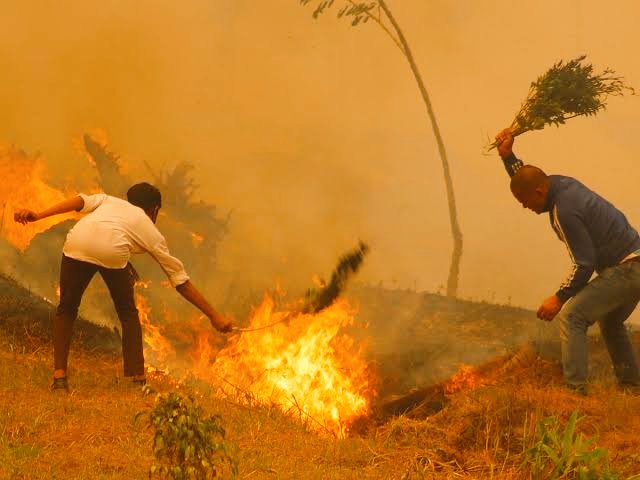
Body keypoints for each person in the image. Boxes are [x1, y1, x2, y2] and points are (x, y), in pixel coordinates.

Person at [14, 183, 232, 391]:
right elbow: (180, 280)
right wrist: (214, 316)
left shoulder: (108, 200)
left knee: (66, 309)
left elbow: (79, 200)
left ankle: (59, 377)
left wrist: (39, 215)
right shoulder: (149, 227)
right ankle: (138, 379)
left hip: (77, 243)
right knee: (127, 313)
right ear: (154, 210)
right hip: (112, 252)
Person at [494, 128, 640, 395]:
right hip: (635, 263)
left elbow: (584, 263)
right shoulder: (558, 183)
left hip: (626, 270)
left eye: (524, 202)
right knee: (610, 322)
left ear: (539, 193)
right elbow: (528, 177)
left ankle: (574, 394)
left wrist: (558, 298)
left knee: (573, 316)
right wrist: (508, 157)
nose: (524, 207)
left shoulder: (565, 212)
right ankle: (631, 388)